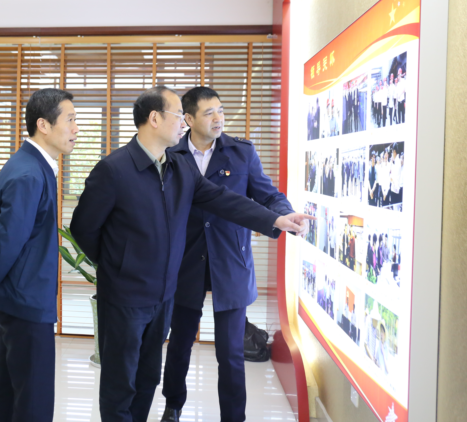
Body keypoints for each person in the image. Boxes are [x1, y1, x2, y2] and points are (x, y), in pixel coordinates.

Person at [69, 86, 313, 422]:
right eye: (177, 116)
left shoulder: (180, 167)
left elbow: (224, 200)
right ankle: (161, 409)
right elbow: (83, 228)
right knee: (125, 379)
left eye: (220, 110)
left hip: (175, 287)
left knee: (149, 376)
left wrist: (276, 219)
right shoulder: (115, 169)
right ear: (156, 119)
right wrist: (119, 264)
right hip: (135, 291)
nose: (184, 124)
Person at [160, 87, 296, 422]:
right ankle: (173, 405)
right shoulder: (171, 154)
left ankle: (234, 417)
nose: (218, 118)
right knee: (179, 344)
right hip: (185, 261)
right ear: (188, 118)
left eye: (220, 110)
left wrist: (285, 213)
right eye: (209, 113)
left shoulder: (241, 152)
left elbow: (268, 195)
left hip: (231, 260)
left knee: (231, 352)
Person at [0, 89, 79, 422]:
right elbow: (6, 244)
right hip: (26, 302)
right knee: (33, 402)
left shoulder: (31, 165)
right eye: (70, 120)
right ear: (43, 125)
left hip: (20, 299)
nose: (76, 129)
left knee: (5, 394)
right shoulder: (30, 174)